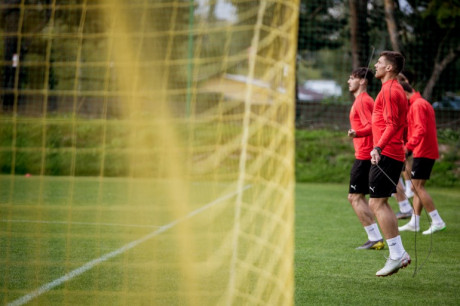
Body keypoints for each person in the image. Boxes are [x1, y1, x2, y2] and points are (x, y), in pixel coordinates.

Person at [369, 51, 411, 277]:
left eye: (380, 63)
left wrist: (378, 148)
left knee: (377, 204)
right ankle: (399, 253)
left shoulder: (391, 90)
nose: (375, 65)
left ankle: (397, 254)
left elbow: (394, 124)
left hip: (388, 154)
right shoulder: (389, 89)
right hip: (389, 153)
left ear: (389, 69)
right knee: (379, 203)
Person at [398, 81, 446, 235]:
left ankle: (437, 220)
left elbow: (420, 129)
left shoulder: (417, 105)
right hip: (425, 150)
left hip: (423, 150)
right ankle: (415, 222)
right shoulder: (421, 103)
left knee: (418, 187)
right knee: (415, 187)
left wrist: (409, 148)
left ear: (404, 93)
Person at [346, 67, 385, 250]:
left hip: (365, 154)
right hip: (364, 154)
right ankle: (375, 237)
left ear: (363, 81)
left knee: (355, 197)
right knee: (361, 197)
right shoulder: (362, 100)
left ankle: (375, 238)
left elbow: (372, 126)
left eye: (352, 78)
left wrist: (357, 132)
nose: (349, 81)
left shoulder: (363, 101)